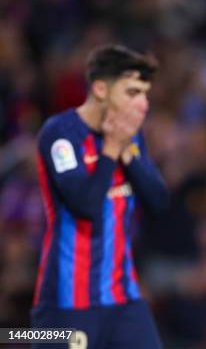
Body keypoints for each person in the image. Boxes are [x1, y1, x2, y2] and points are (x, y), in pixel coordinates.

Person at [31, 45, 169, 348]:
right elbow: (85, 207)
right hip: (67, 303)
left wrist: (127, 154)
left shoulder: (131, 136)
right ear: (101, 89)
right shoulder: (61, 135)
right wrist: (111, 149)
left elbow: (159, 203)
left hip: (123, 299)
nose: (143, 105)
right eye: (132, 93)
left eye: (145, 94)